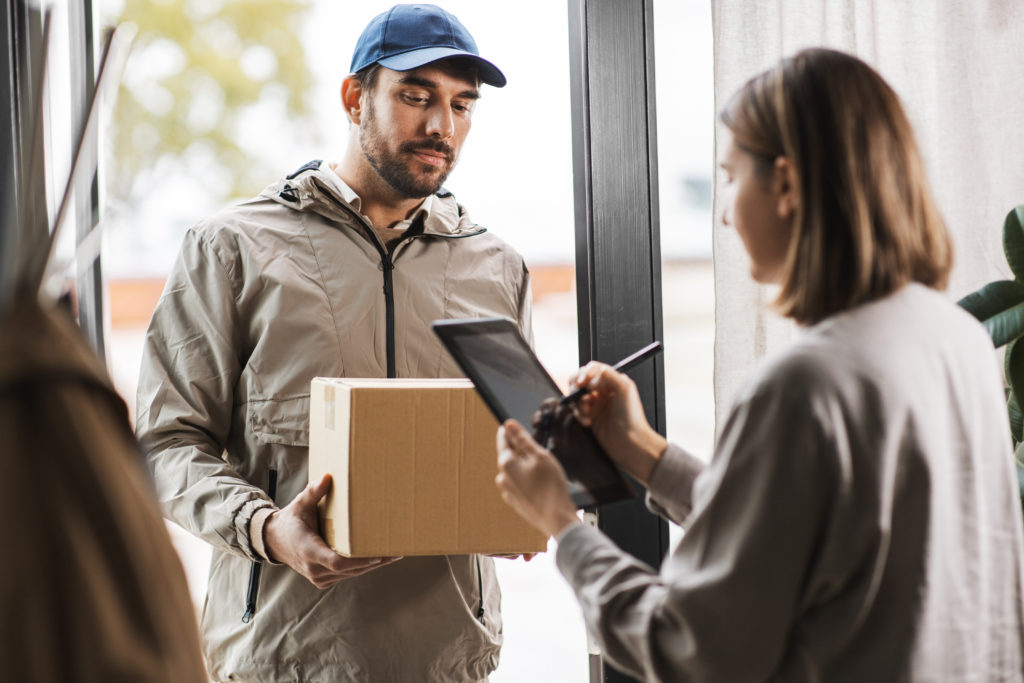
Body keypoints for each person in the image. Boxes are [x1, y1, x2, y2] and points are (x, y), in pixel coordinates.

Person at [496, 47, 1024, 682]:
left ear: (787, 184)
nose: (723, 210)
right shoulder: (954, 337)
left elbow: (687, 648)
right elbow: (795, 536)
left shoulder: (805, 384)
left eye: (730, 175)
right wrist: (641, 451)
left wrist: (562, 524)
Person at [136, 4, 532, 681]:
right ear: (355, 97)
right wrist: (268, 530)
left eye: (463, 105)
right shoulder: (232, 248)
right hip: (284, 660)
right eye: (417, 96)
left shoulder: (496, 265)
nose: (443, 126)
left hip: (448, 660)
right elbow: (164, 444)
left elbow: (512, 439)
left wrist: (532, 497)